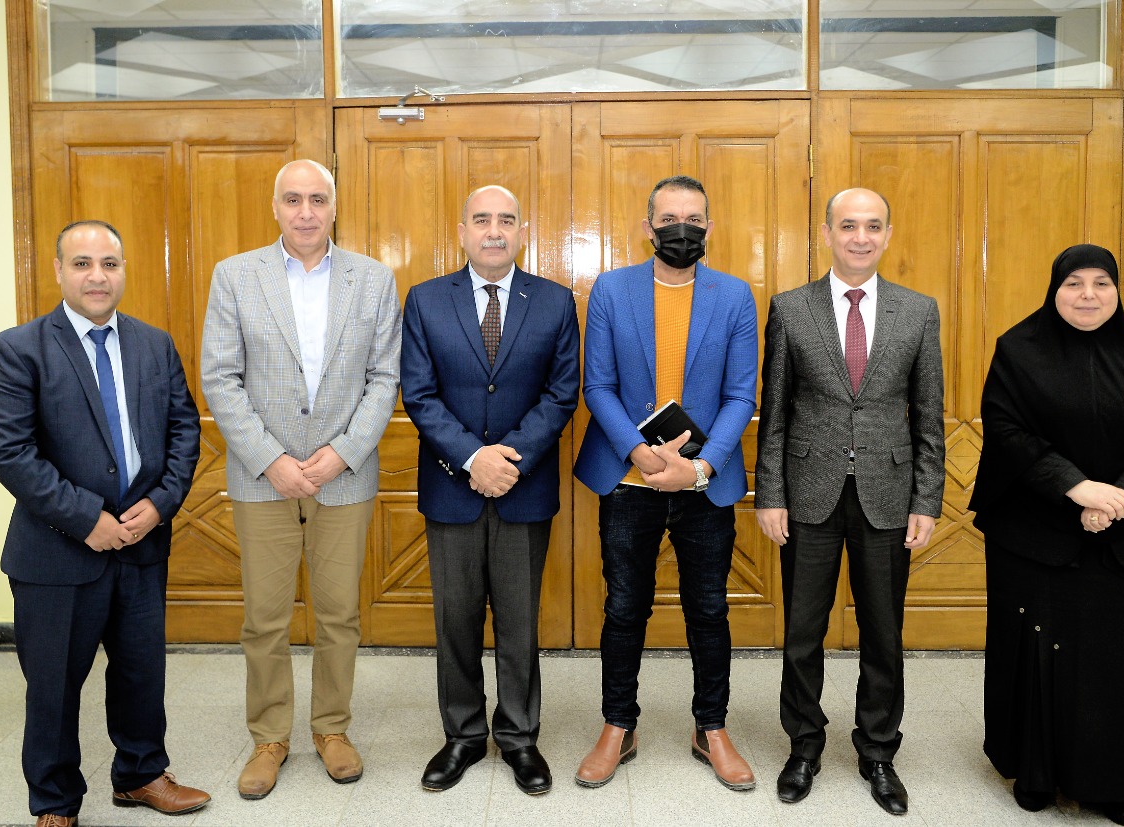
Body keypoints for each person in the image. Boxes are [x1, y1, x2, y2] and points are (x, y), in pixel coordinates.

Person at [0, 221, 208, 827]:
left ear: (123, 270)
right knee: (53, 685)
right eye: (82, 263)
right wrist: (88, 519)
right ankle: (55, 801)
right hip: (57, 552)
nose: (97, 276)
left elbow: (184, 431)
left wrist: (160, 504)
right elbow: (9, 452)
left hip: (142, 541)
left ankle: (141, 775)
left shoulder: (154, 344)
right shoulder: (19, 348)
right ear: (59, 270)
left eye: (109, 263)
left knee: (141, 673)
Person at [969, 244, 1124, 826]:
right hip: (1038, 535)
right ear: (1055, 290)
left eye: (1101, 283)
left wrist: (1121, 498)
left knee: (1120, 659)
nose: (1088, 295)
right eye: (1074, 283)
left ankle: (1113, 784)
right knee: (1040, 651)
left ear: (1117, 290)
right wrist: (1077, 488)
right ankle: (1035, 773)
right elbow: (1008, 433)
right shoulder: (1019, 349)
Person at [201, 159, 401, 800]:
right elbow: (220, 378)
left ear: (334, 206)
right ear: (275, 206)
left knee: (339, 615)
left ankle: (332, 729)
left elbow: (385, 379)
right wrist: (271, 459)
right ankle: (269, 737)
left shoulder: (373, 279)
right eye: (293, 199)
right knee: (264, 618)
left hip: (344, 475)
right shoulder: (235, 276)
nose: (306, 212)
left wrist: (342, 453)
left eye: (318, 199)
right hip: (263, 477)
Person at [755, 187, 945, 815]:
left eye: (872, 226)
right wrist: (770, 493)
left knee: (883, 633)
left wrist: (927, 499)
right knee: (802, 632)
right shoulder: (790, 308)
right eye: (848, 226)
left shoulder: (919, 311)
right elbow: (775, 412)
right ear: (828, 233)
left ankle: (879, 752)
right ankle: (804, 746)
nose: (860, 237)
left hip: (888, 495)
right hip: (807, 494)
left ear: (888, 235)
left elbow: (928, 414)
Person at [573, 175, 759, 791]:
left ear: (709, 227)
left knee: (709, 610)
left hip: (705, 484)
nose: (683, 229)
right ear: (648, 228)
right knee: (624, 608)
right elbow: (597, 385)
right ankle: (617, 726)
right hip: (629, 483)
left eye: (694, 219)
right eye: (670, 219)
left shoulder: (735, 296)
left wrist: (699, 468)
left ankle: (712, 729)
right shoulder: (611, 290)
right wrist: (639, 452)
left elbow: (741, 395)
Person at [401, 185, 580, 795]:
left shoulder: (554, 301)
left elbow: (562, 393)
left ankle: (520, 736)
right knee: (455, 619)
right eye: (482, 220)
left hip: (523, 488)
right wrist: (473, 458)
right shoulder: (425, 300)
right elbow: (418, 393)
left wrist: (509, 461)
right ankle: (463, 735)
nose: (495, 230)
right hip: (451, 485)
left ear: (522, 232)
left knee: (519, 620)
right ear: (462, 232)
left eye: (506, 220)